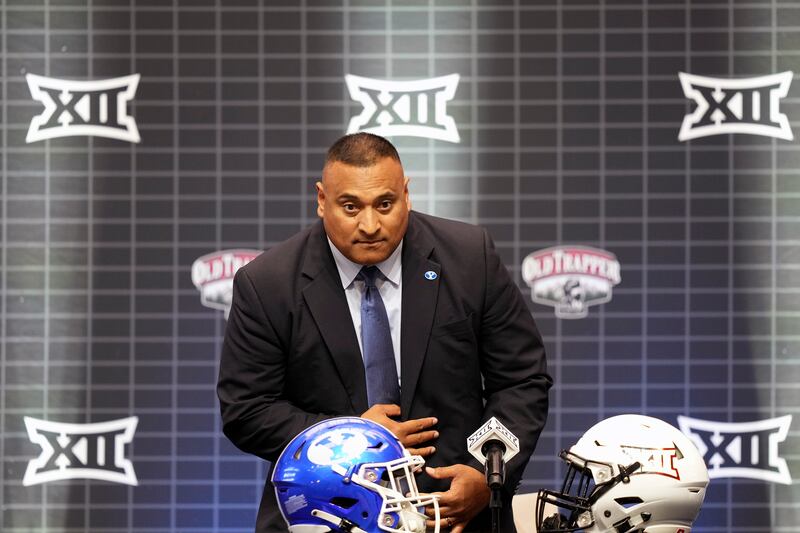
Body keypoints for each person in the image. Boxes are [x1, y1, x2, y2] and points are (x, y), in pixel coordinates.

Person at [217, 132, 552, 533]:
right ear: (322, 200)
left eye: (385, 204)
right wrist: (351, 437)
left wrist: (486, 473)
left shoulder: (469, 258)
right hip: (324, 516)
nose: (370, 225)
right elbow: (247, 409)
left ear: (406, 195)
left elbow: (521, 380)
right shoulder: (267, 283)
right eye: (350, 207)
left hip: (453, 514)